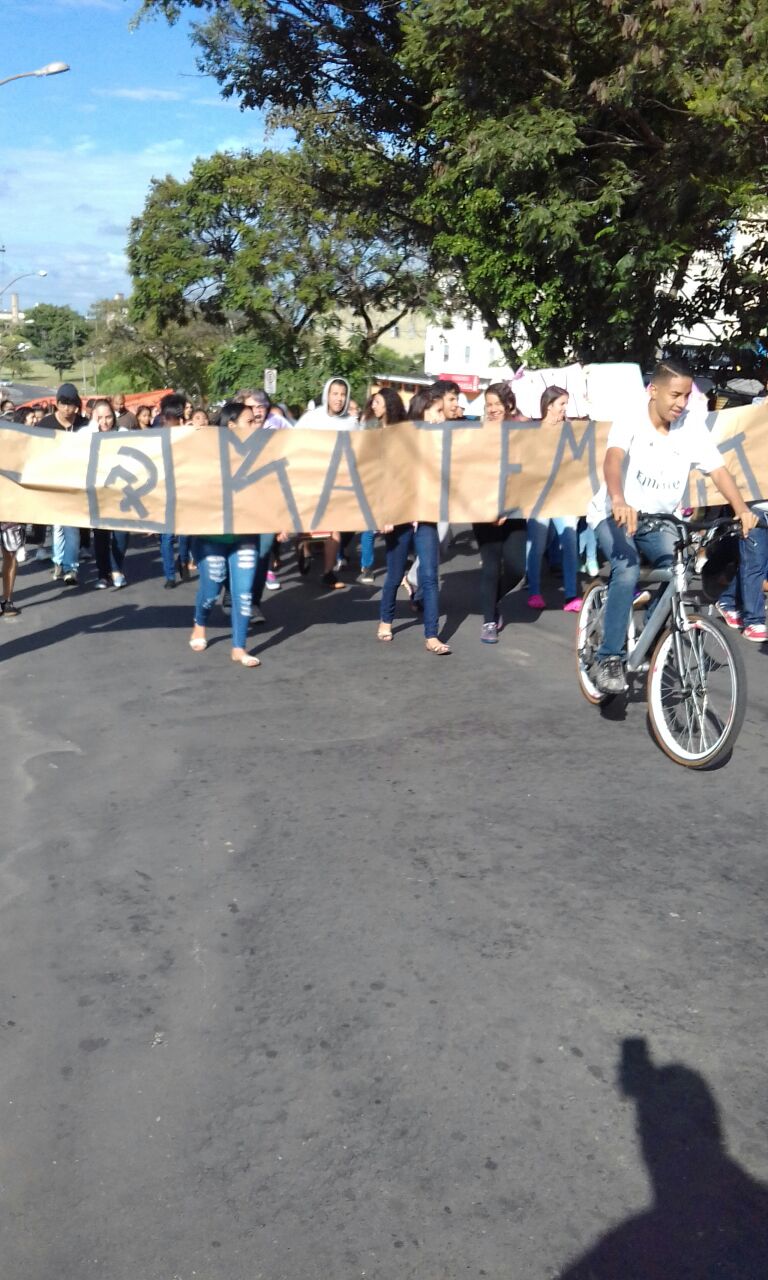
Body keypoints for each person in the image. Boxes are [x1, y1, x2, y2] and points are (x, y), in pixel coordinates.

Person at [586, 358, 756, 694]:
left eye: (686, 396)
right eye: (675, 395)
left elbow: (718, 470)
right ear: (654, 390)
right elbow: (613, 459)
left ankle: (653, 643)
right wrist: (618, 499)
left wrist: (741, 509)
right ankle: (609, 658)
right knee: (627, 571)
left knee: (678, 572)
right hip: (615, 514)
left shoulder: (691, 425)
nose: (681, 403)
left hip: (659, 520)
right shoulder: (632, 417)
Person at [377, 389, 451, 655]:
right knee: (395, 574)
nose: (443, 417)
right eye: (438, 411)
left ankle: (432, 635)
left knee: (430, 577)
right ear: (423, 411)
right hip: (400, 517)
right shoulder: (401, 439)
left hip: (426, 516)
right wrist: (386, 514)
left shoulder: (442, 443)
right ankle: (386, 619)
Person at [189, 400, 261, 668]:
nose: (256, 425)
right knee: (211, 588)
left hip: (246, 535)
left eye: (256, 420)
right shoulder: (208, 456)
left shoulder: (262, 454)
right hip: (211, 537)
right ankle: (200, 623)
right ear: (231, 426)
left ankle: (239, 648)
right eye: (249, 421)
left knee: (243, 594)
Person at [473, 383, 527, 642]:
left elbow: (527, 472)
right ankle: (489, 621)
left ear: (508, 405)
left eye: (497, 404)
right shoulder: (477, 435)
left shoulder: (521, 433)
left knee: (517, 568)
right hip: (484, 510)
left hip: (515, 509)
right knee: (491, 567)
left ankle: (490, 600)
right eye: (488, 405)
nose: (492, 409)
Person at [526, 386, 581, 612]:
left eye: (567, 403)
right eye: (562, 404)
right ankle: (534, 591)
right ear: (549, 406)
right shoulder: (533, 432)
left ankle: (571, 595)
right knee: (537, 544)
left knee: (570, 541)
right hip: (538, 497)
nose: (565, 408)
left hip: (563, 496)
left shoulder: (569, 432)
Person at [296, 377, 356, 588]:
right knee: (309, 526)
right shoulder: (311, 418)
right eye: (335, 394)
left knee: (333, 528)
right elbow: (293, 442)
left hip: (337, 483)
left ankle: (328, 572)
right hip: (311, 480)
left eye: (343, 394)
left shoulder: (351, 423)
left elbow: (358, 451)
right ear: (327, 395)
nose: (339, 398)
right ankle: (305, 549)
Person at [356, 387, 408, 583]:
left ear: (388, 405)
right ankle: (367, 566)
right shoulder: (370, 427)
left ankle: (397, 565)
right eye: (373, 402)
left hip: (395, 484)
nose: (373, 405)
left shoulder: (403, 430)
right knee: (369, 526)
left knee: (396, 526)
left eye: (377, 402)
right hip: (373, 482)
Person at [38, 383, 88, 585]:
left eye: (71, 404)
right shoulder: (45, 425)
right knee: (58, 527)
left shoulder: (84, 425)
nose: (67, 409)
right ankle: (58, 561)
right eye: (63, 404)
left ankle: (71, 568)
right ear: (57, 404)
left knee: (72, 527)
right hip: (53, 484)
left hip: (77, 485)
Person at [86, 399, 129, 589]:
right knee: (101, 535)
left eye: (108, 417)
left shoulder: (123, 433)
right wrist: (93, 428)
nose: (104, 421)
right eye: (100, 417)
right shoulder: (87, 433)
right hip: (98, 493)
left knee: (121, 535)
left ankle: (117, 568)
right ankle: (103, 574)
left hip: (121, 493)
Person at [157, 392, 193, 588]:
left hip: (185, 489)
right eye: (173, 418)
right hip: (164, 492)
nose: (177, 421)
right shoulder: (158, 436)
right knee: (167, 536)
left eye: (179, 417)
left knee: (185, 534)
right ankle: (169, 575)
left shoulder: (189, 433)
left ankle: (184, 560)